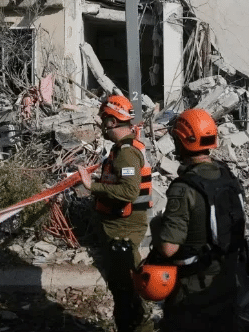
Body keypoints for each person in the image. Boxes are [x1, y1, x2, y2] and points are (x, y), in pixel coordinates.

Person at [152, 108, 245, 332]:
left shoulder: (184, 188)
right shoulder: (227, 175)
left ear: (181, 141)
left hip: (193, 291)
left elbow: (168, 248)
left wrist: (157, 226)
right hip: (226, 280)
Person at [77, 94, 152, 332]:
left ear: (112, 121)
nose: (102, 126)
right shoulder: (122, 149)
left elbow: (129, 191)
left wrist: (92, 186)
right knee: (123, 289)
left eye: (104, 120)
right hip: (120, 228)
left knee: (125, 291)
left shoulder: (127, 152)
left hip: (124, 230)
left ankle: (140, 327)